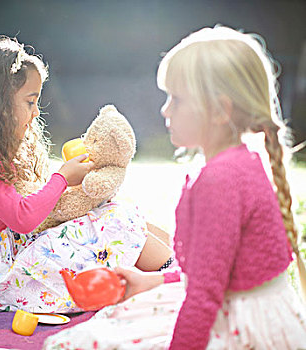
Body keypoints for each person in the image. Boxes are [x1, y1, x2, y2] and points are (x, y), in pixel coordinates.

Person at [43, 25, 306, 349]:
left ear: (221, 110)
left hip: (239, 326)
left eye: (176, 99)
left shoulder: (220, 181)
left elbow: (204, 297)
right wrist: (151, 281)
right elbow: (214, 274)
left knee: (87, 342)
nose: (165, 110)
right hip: (252, 310)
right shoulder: (241, 163)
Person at [0, 36, 173, 313]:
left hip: (5, 252)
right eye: (30, 102)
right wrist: (62, 178)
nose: (35, 112)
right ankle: (175, 280)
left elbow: (30, 209)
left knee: (116, 211)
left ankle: (178, 267)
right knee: (116, 221)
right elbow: (23, 217)